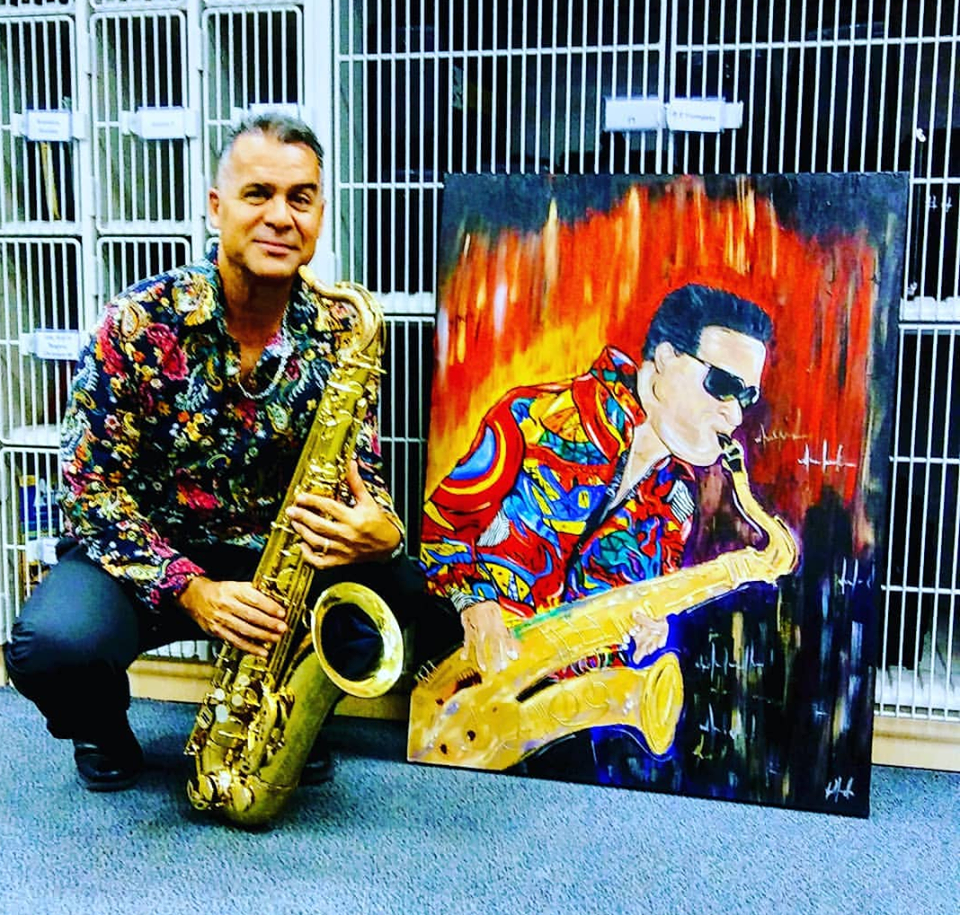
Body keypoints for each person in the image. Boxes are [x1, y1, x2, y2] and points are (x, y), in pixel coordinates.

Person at [3, 113, 429, 793]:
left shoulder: (342, 329)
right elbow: (88, 490)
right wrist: (192, 590)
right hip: (144, 558)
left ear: (320, 214)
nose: (280, 217)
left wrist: (380, 527)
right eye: (258, 193)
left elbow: (359, 469)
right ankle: (101, 726)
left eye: (300, 198)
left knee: (398, 588)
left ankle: (288, 717)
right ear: (216, 206)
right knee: (53, 644)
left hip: (272, 555)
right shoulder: (138, 323)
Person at [418, 284, 774, 775]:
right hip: (461, 679)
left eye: (747, 396)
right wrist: (474, 603)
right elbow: (441, 526)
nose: (735, 414)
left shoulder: (679, 500)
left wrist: (647, 631)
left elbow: (632, 602)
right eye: (722, 384)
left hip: (549, 719)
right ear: (665, 359)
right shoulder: (536, 417)